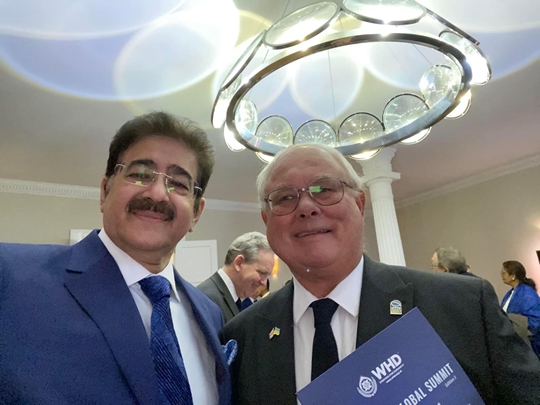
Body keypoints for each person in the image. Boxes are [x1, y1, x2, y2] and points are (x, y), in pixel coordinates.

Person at [222, 143, 540, 405]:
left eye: (324, 189)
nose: (306, 206)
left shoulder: (464, 305)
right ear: (267, 221)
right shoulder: (242, 337)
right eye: (285, 197)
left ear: (360, 204)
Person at [0, 112, 231, 405]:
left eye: (179, 183)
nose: (158, 193)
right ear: (104, 191)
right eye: (140, 174)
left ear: (197, 212)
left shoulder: (210, 314)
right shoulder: (11, 278)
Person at [198, 232, 273, 322]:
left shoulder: (233, 300)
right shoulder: (207, 300)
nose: (264, 283)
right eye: (262, 273)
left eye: (267, 276)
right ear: (239, 263)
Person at [501, 260, 540, 358]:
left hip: (529, 345)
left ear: (513, 276)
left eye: (504, 273)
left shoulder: (527, 294)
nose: (502, 275)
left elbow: (536, 321)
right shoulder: (511, 293)